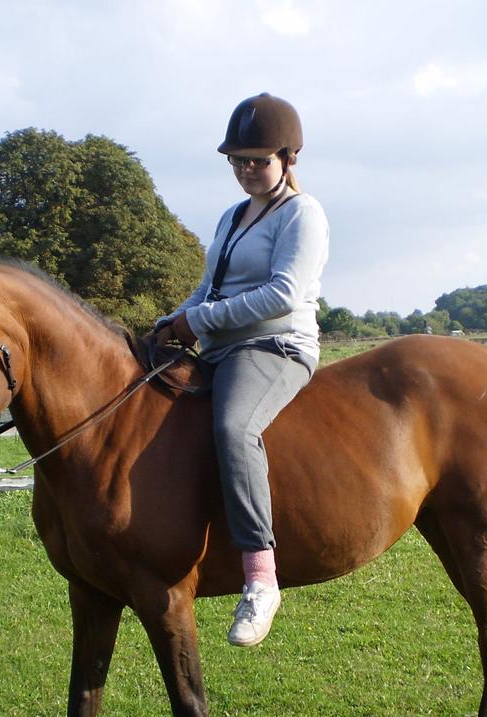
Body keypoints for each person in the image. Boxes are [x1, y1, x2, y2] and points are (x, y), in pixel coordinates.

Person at [150, 92, 329, 647]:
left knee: (233, 428)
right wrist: (171, 320)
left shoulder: (303, 214)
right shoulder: (232, 217)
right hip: (221, 346)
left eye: (258, 160)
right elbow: (211, 287)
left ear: (288, 159)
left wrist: (197, 321)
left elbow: (283, 294)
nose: (247, 170)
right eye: (238, 161)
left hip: (277, 346)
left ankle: (260, 578)